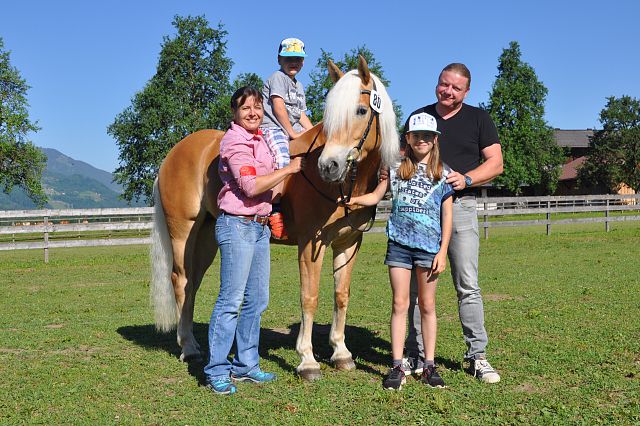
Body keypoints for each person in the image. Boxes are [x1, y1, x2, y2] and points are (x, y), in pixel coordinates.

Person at [402, 63, 504, 384]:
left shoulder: (479, 119)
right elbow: (402, 159)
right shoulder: (420, 117)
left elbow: (496, 163)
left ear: (466, 91)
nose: (447, 91)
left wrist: (468, 177)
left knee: (467, 285)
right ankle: (417, 355)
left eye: (455, 88)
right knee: (417, 289)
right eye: (443, 84)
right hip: (421, 212)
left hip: (460, 207)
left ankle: (477, 356)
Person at [203, 86, 304, 395]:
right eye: (245, 108)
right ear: (235, 113)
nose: (253, 113)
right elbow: (250, 186)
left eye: (257, 107)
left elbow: (269, 189)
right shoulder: (234, 142)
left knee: (257, 300)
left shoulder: (263, 141)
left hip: (259, 228)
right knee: (230, 301)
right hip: (237, 226)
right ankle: (217, 369)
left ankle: (246, 365)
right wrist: (288, 170)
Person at [344, 112, 453, 390]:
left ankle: (429, 365)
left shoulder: (444, 175)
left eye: (428, 136)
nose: (422, 140)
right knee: (399, 304)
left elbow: (447, 218)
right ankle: (396, 365)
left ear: (435, 140)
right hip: (399, 247)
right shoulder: (394, 170)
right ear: (408, 138)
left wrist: (442, 252)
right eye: (417, 136)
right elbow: (375, 196)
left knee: (427, 306)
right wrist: (352, 200)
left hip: (429, 249)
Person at [260, 37, 313, 239]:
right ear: (279, 59)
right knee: (283, 160)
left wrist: (314, 135)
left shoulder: (299, 86)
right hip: (274, 127)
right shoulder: (278, 78)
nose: (294, 62)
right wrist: (292, 133)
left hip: (292, 126)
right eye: (289, 57)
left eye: (298, 58)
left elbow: (300, 114)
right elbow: (278, 107)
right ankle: (275, 209)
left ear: (303, 62)